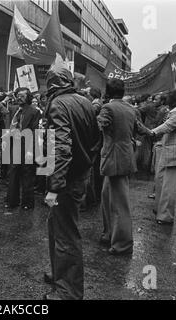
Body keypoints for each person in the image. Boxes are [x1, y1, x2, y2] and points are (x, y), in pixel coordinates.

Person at [43, 63, 101, 300]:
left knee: (66, 234)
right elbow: (96, 139)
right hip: (77, 175)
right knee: (56, 227)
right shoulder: (84, 101)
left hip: (66, 179)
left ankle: (68, 292)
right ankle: (60, 274)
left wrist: (54, 188)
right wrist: (86, 164)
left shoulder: (58, 104)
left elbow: (62, 148)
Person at [98, 79, 151, 256]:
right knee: (106, 198)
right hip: (124, 156)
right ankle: (109, 233)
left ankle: (123, 244)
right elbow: (141, 129)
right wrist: (153, 133)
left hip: (114, 158)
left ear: (108, 91)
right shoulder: (130, 108)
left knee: (119, 204)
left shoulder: (108, 108)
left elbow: (100, 125)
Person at [150, 90, 176, 225]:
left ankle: (166, 216)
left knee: (168, 187)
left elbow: (166, 127)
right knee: (161, 182)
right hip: (170, 151)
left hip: (174, 153)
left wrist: (151, 132)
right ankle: (160, 210)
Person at [5, 87, 41, 211]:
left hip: (26, 146)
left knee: (27, 175)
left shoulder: (34, 111)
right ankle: (12, 201)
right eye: (18, 95)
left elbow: (35, 131)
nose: (19, 98)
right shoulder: (13, 109)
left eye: (22, 96)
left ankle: (27, 202)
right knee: (13, 173)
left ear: (28, 97)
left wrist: (31, 150)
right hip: (13, 145)